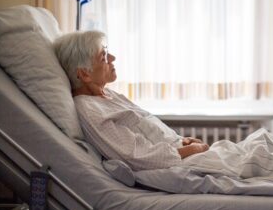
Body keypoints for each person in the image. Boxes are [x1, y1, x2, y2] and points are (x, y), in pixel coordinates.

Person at [54, 30, 209, 171]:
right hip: (171, 165)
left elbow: (146, 129)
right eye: (103, 57)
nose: (112, 58)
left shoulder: (108, 95)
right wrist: (192, 150)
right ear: (85, 74)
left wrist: (182, 141)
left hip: (179, 152)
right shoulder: (89, 109)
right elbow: (135, 156)